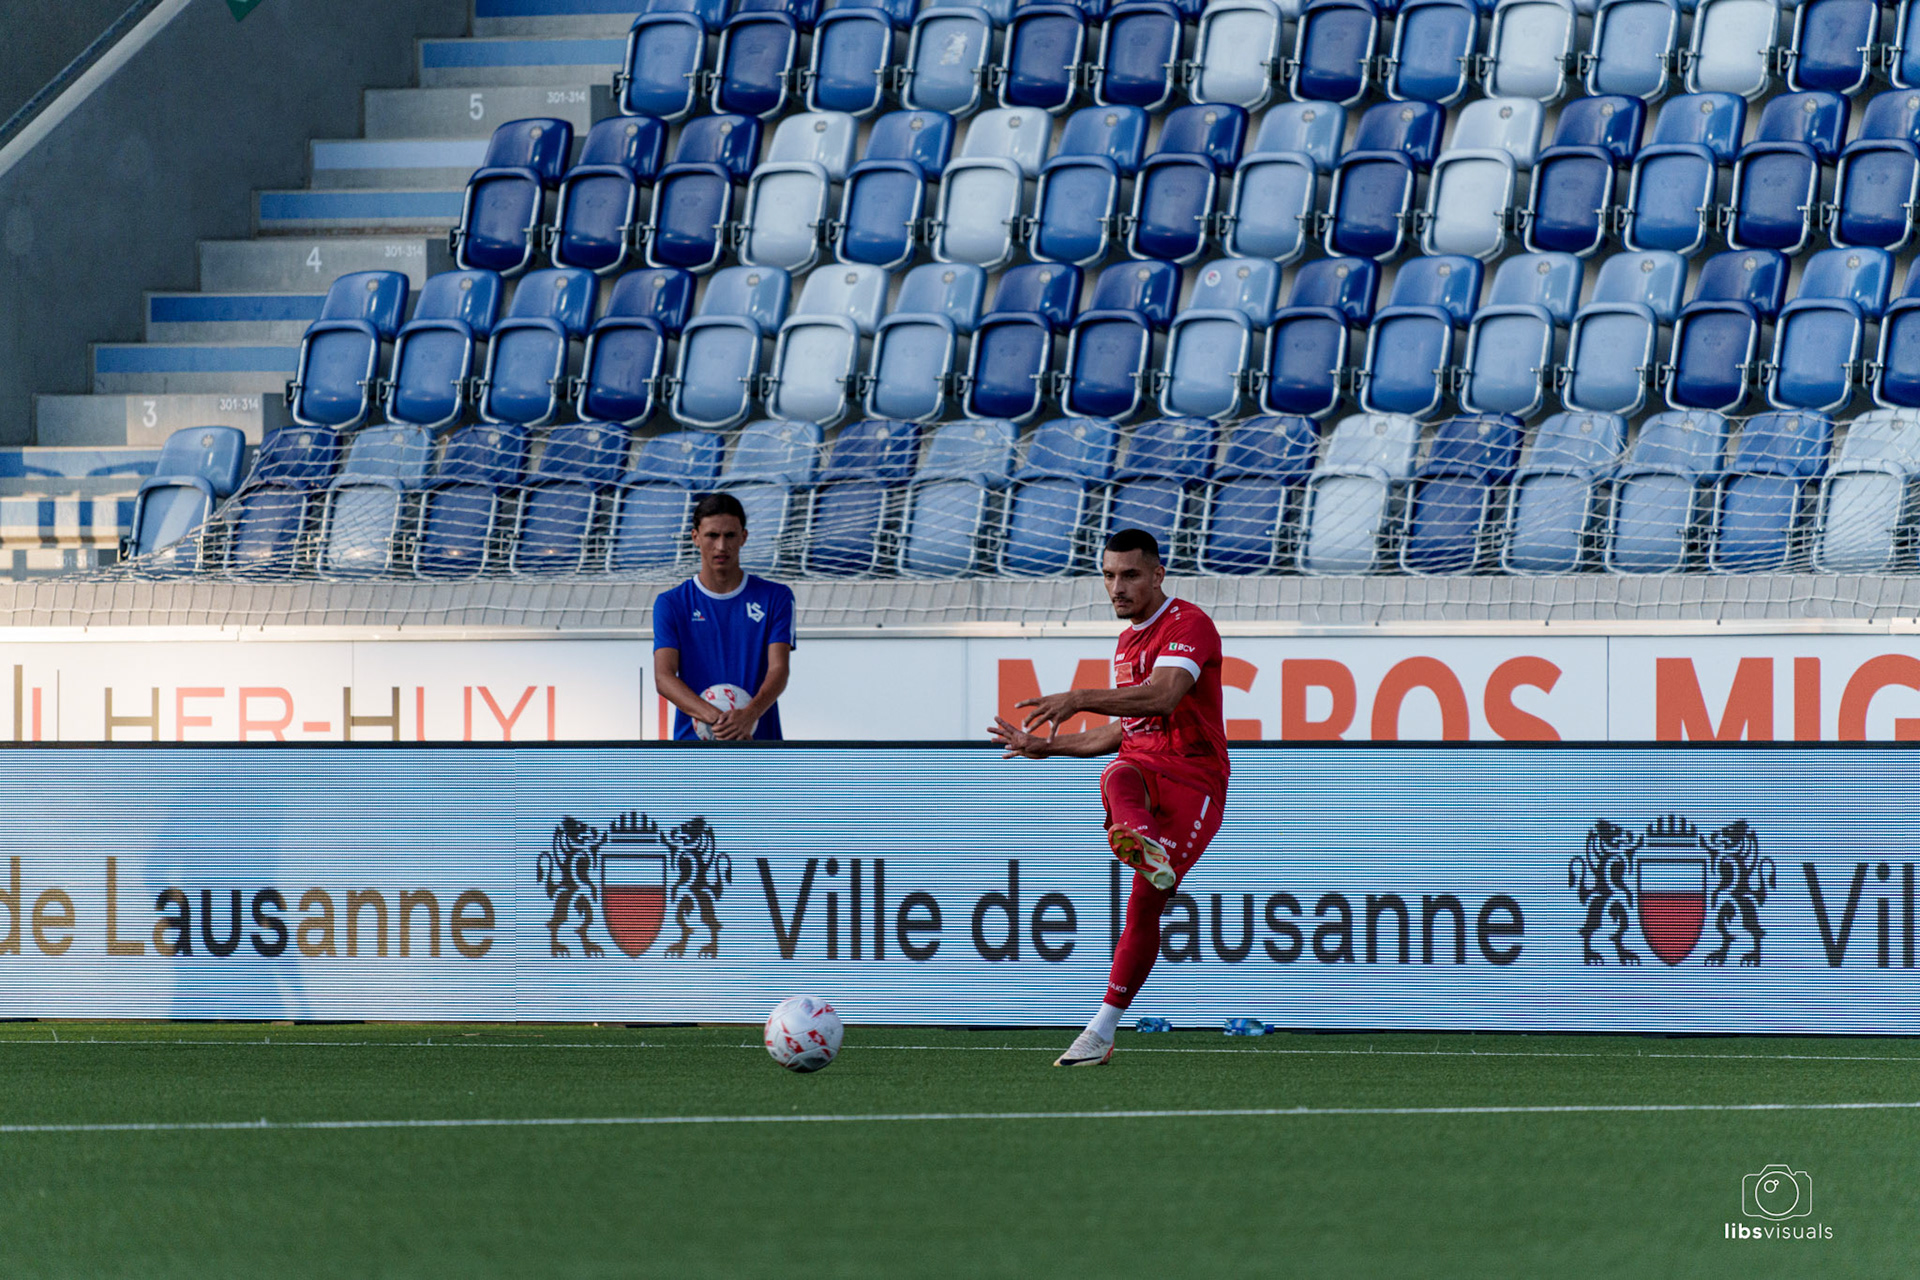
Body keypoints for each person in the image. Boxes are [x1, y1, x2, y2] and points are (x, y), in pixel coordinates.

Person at [989, 528, 1230, 1067]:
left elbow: (1165, 696)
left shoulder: (1188, 624)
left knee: (1143, 896)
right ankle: (1099, 1032)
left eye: (1129, 575)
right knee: (1120, 774)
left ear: (1158, 574)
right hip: (1144, 770)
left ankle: (1138, 842)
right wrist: (1044, 747)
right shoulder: (1124, 644)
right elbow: (1122, 732)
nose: (1116, 587)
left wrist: (1079, 697)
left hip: (1195, 780)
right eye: (1108, 575)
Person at [652, 492, 796, 741]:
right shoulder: (671, 603)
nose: (721, 546)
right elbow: (664, 677)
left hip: (759, 745)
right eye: (712, 535)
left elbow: (779, 670)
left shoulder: (776, 597)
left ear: (744, 537)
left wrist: (749, 715)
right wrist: (720, 720)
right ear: (695, 537)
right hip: (693, 750)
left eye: (730, 535)